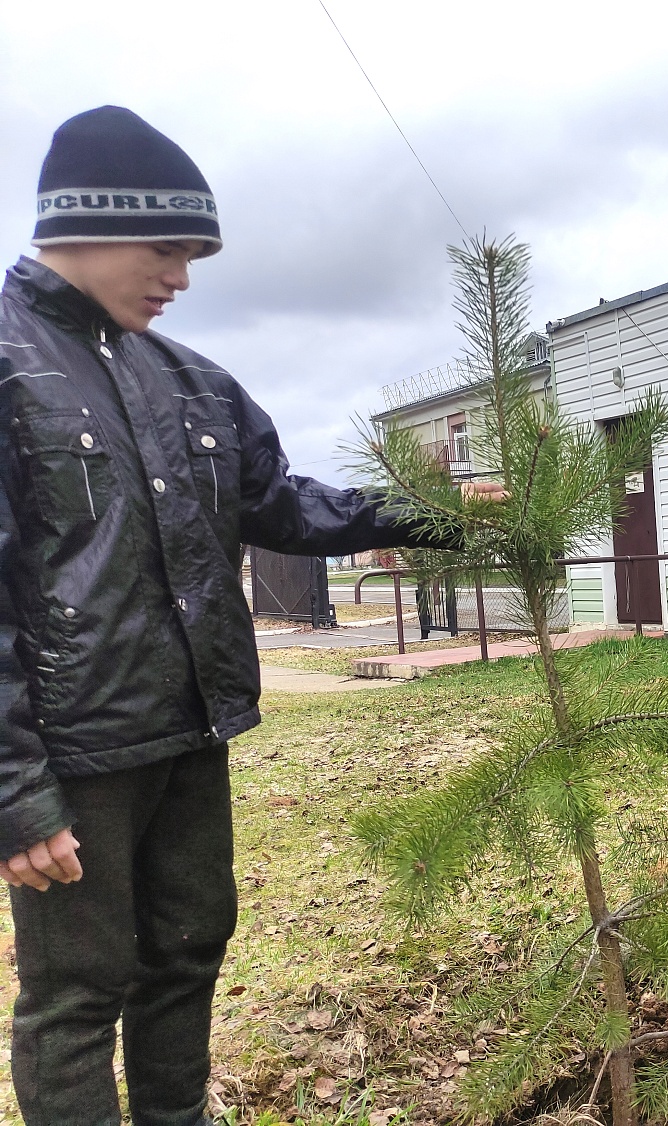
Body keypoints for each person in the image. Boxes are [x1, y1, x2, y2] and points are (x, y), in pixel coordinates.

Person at [0, 107, 499, 1124]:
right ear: (85, 222)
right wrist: (14, 789)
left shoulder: (192, 381)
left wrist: (438, 514)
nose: (182, 277)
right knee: (78, 991)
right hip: (74, 753)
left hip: (192, 728)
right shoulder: (9, 366)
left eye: (193, 256)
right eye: (168, 249)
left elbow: (287, 503)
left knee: (188, 948)